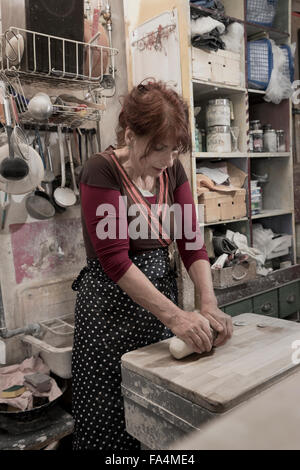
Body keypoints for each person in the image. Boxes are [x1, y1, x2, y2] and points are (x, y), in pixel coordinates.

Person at [71, 80, 233, 450]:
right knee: (109, 424)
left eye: (175, 149)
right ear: (130, 134)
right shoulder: (102, 170)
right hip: (109, 315)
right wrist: (176, 317)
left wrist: (206, 304)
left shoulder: (172, 172)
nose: (168, 159)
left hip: (159, 309)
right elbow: (113, 259)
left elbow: (191, 242)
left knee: (157, 416)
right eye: (159, 148)